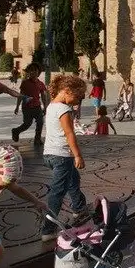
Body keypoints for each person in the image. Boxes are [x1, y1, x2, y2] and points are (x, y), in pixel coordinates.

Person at [40, 74, 88, 242]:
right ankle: (48, 230)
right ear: (67, 91)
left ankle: (79, 207)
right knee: (57, 192)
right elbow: (69, 134)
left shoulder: (51, 106)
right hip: (62, 155)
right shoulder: (64, 110)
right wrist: (78, 155)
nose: (79, 101)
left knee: (73, 179)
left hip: (49, 154)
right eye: (78, 96)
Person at [11, 63, 48, 148]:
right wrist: (17, 106)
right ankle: (16, 131)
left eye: (35, 70)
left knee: (40, 122)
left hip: (37, 107)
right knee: (27, 124)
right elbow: (20, 95)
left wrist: (45, 107)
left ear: (38, 72)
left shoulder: (41, 84)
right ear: (28, 72)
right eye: (31, 70)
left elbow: (43, 96)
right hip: (27, 107)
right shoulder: (25, 83)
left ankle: (37, 139)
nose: (33, 72)